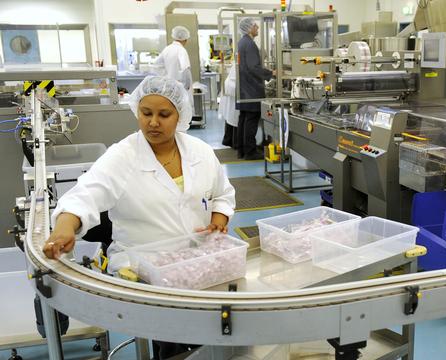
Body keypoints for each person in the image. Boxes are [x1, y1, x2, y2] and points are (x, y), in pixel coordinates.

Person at [43, 76, 235, 359]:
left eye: (163, 114)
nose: (153, 122)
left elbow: (222, 193)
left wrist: (219, 218)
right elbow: (85, 194)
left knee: (221, 329)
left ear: (180, 115)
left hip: (198, 263)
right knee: (178, 342)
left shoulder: (200, 152)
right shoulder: (123, 156)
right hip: (143, 268)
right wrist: (64, 226)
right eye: (146, 113)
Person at [236, 17, 275, 160]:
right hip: (252, 88)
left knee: (244, 119)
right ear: (249, 28)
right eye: (255, 26)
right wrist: (271, 73)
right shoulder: (250, 44)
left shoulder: (241, 42)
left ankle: (242, 150)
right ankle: (250, 152)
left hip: (244, 88)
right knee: (251, 119)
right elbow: (253, 67)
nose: (257, 27)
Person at [156, 26, 193, 91]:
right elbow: (185, 69)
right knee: (182, 101)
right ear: (185, 39)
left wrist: (165, 78)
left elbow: (157, 66)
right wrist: (187, 87)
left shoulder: (167, 49)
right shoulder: (181, 50)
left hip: (168, 86)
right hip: (180, 87)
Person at [220, 63, 240, 148]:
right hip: (234, 88)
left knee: (230, 116)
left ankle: (228, 140)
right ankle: (235, 142)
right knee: (235, 117)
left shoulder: (240, 58)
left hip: (231, 87)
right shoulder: (243, 60)